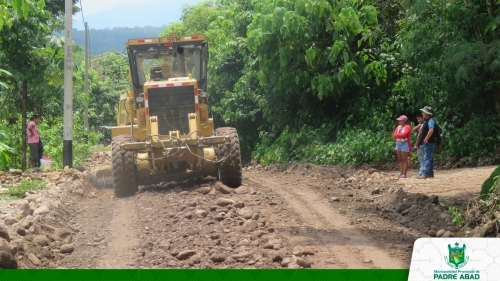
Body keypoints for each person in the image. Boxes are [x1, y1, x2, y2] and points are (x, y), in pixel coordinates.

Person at [416, 106, 438, 179]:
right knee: (429, 157)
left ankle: (425, 173)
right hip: (429, 142)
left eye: (423, 112)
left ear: (427, 113)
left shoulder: (430, 120)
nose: (422, 113)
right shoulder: (427, 121)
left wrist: (426, 138)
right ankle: (430, 173)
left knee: (427, 157)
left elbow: (431, 130)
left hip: (429, 142)